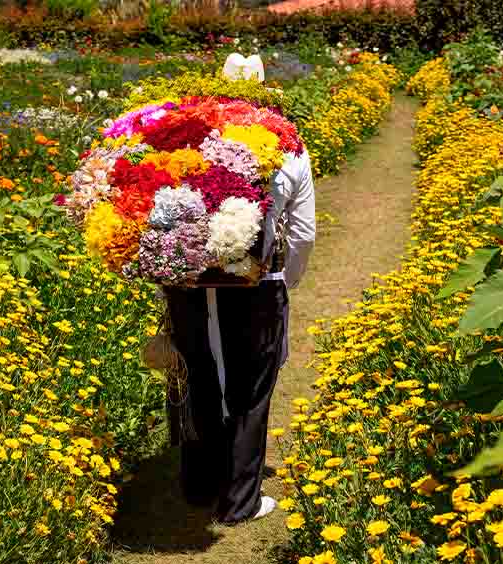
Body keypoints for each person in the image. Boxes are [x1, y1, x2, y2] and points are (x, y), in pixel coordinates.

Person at [163, 55, 316, 524]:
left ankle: (199, 484)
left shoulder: (186, 136)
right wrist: (281, 281)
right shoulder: (286, 145)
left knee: (195, 371)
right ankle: (240, 501)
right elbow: (304, 232)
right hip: (255, 286)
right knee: (251, 388)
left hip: (187, 283)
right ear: (265, 91)